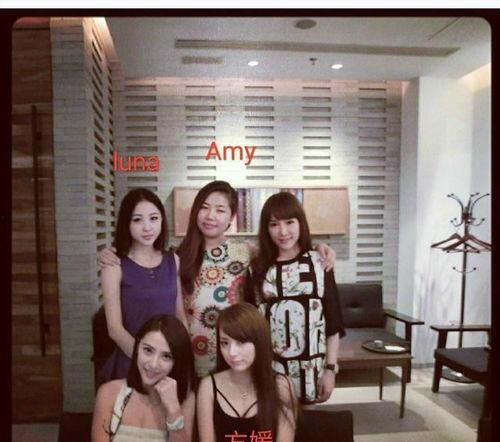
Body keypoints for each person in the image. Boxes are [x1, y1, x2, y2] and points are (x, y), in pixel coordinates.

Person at [99, 181, 336, 379]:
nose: (211, 216)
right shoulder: (177, 256)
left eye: (220, 210)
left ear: (231, 217)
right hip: (187, 355)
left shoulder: (246, 252)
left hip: (234, 355)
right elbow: (145, 264)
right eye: (204, 207)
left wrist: (318, 249)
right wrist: (110, 253)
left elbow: (283, 254)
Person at [246, 192, 345, 405]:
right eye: (274, 224)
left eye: (289, 222)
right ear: (266, 229)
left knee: (308, 422)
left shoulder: (320, 262)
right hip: (271, 368)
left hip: (312, 368)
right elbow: (253, 325)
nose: (283, 232)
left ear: (301, 222)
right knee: (275, 421)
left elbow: (333, 322)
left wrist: (330, 369)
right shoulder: (257, 268)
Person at [99, 188, 187, 382]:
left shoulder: (173, 260)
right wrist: (148, 363)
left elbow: (179, 315)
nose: (147, 227)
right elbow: (115, 329)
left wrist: (178, 358)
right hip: (131, 361)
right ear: (126, 223)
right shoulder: (114, 265)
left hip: (169, 363)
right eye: (137, 220)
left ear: (162, 220)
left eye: (153, 218)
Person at [197, 303, 297, 442]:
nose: (232, 352)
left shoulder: (281, 385)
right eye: (225, 343)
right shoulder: (208, 386)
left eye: (241, 342)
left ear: (259, 341)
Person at [91, 314, 196, 442]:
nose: (153, 364)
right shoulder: (109, 392)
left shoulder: (185, 398)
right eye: (148, 350)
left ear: (177, 361)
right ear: (137, 348)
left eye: (166, 356)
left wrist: (174, 410)